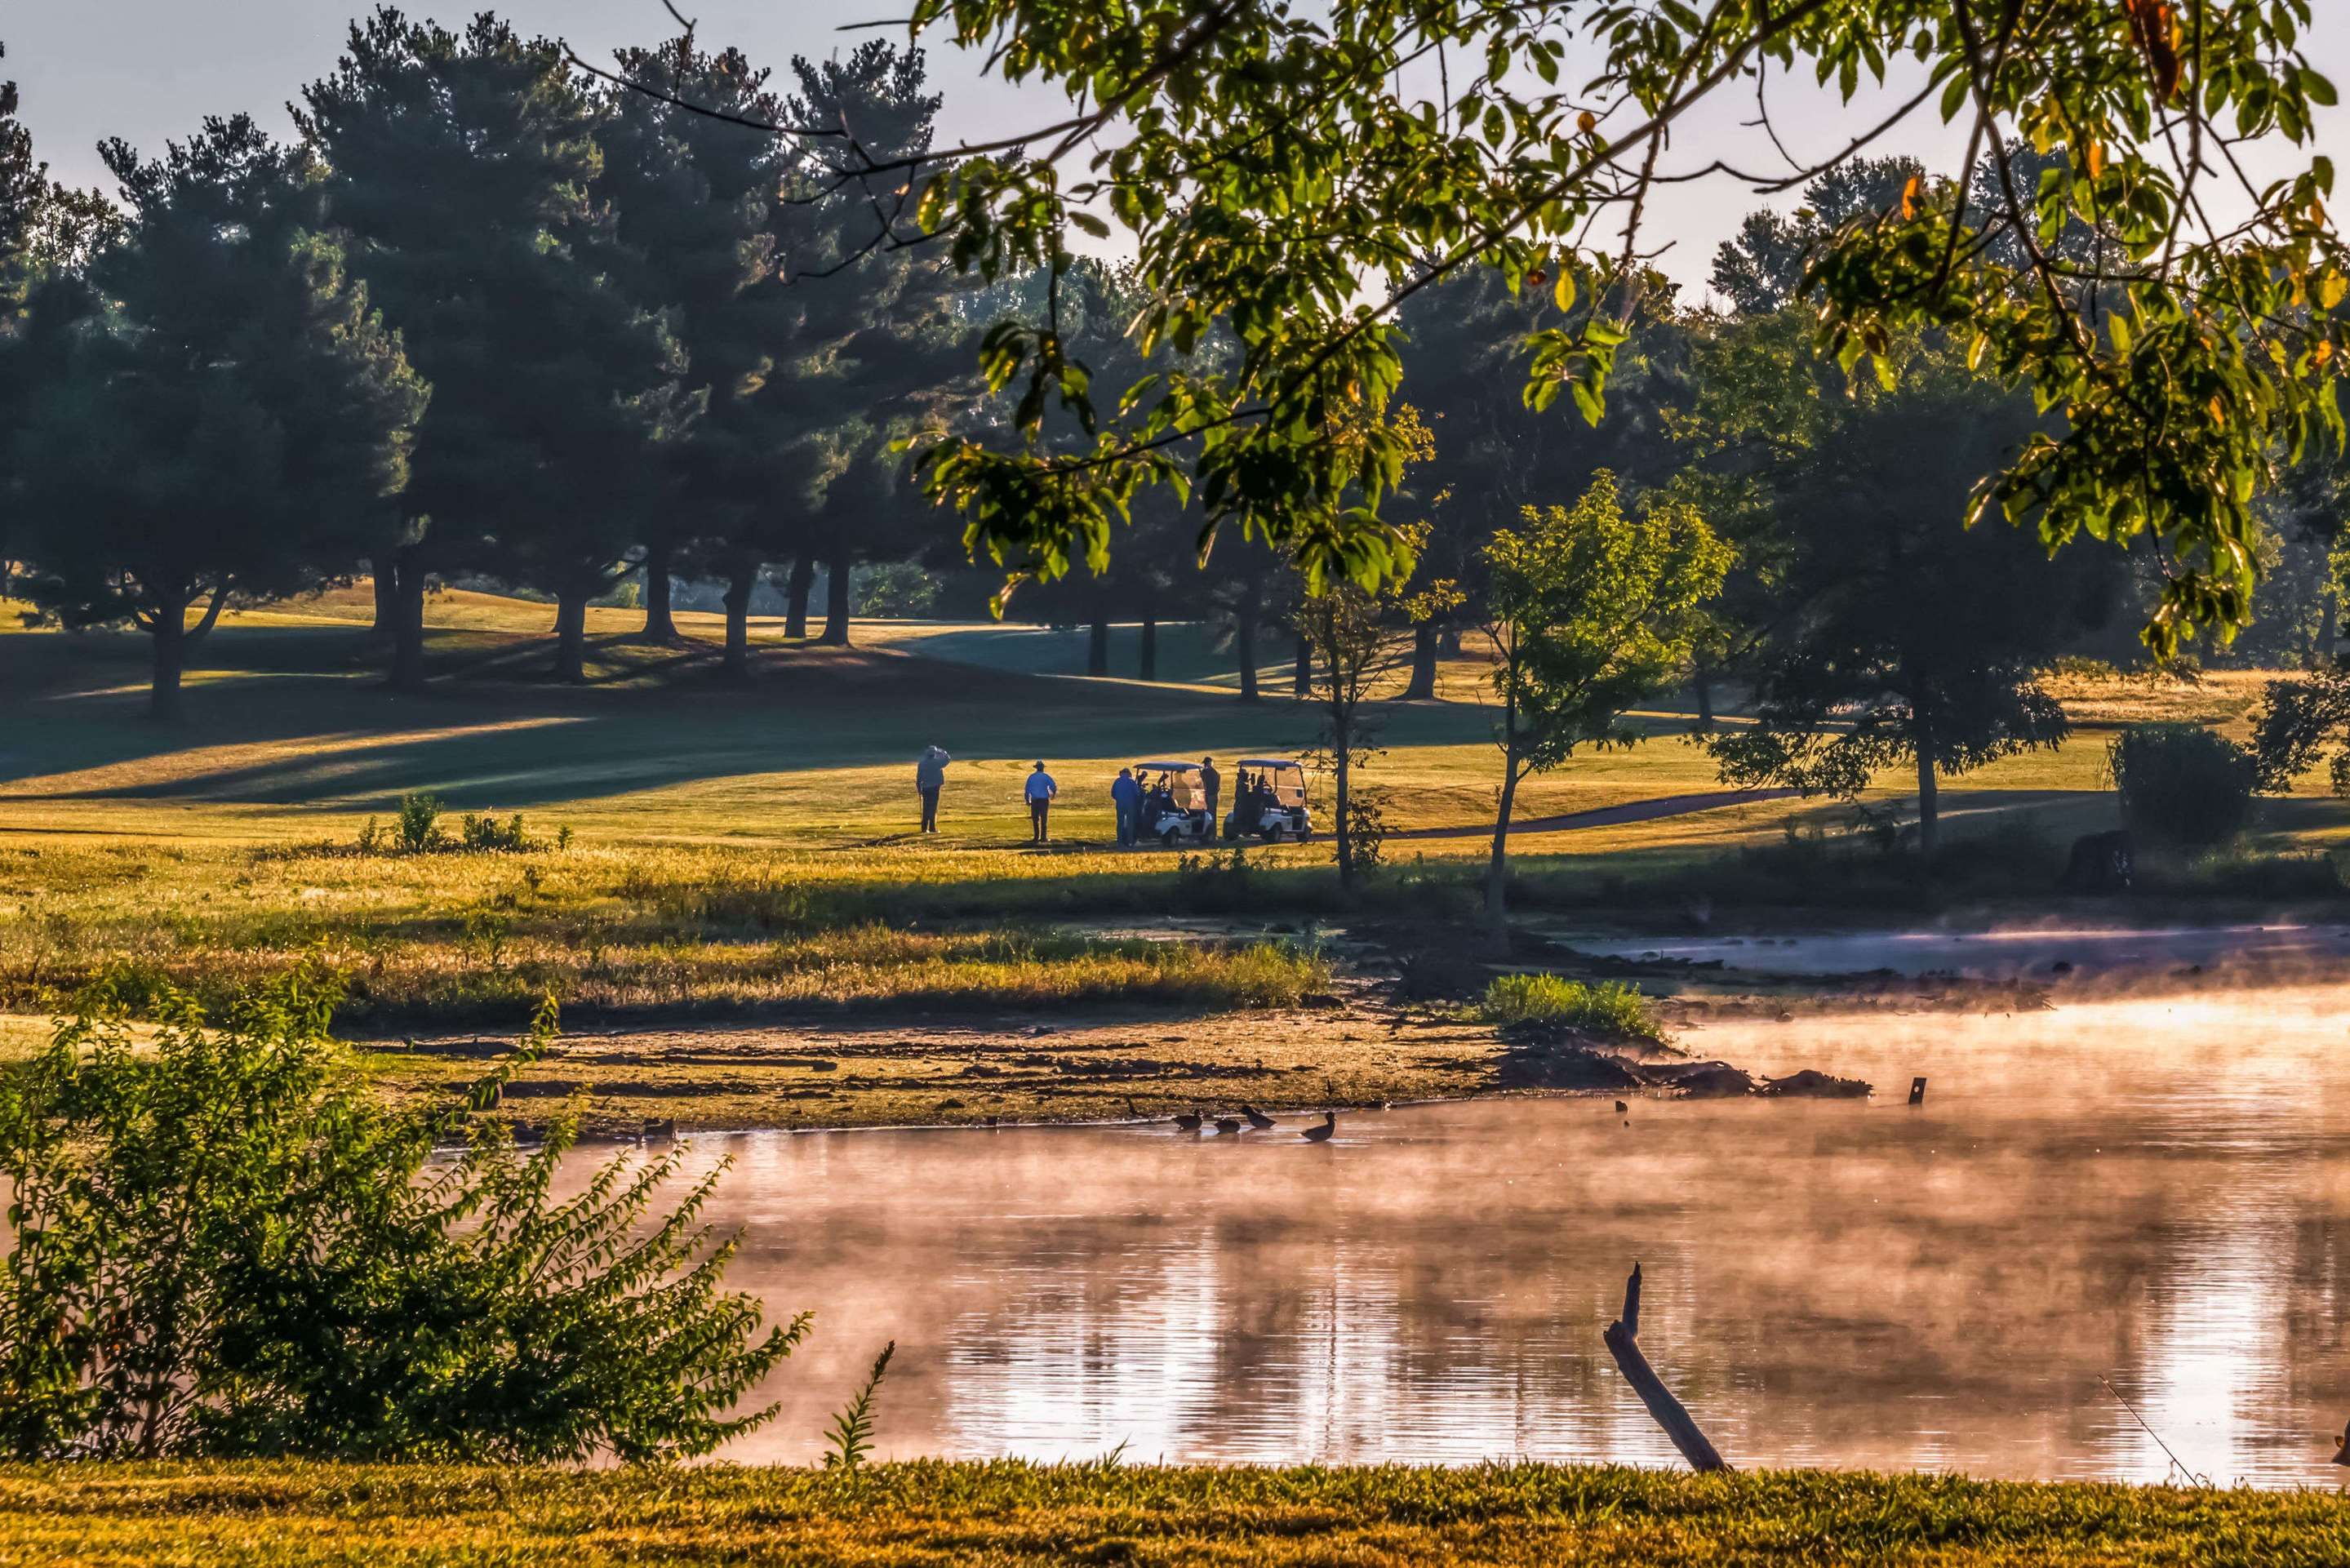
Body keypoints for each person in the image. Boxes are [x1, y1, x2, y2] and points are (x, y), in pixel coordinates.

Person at [914, 745, 950, 833]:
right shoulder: (937, 762)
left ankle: (924, 828)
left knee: (926, 808)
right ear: (934, 754)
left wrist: (919, 789)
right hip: (935, 787)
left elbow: (919, 778)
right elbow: (947, 759)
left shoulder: (922, 764)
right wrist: (941, 751)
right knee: (933, 808)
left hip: (925, 788)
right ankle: (932, 828)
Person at [1024, 760, 1058, 844]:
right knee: (1044, 819)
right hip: (1044, 800)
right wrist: (1052, 794)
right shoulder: (1046, 777)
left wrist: (1028, 800)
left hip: (1035, 800)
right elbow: (1053, 786)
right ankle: (1043, 837)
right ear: (1042, 768)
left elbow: (1027, 790)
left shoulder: (1032, 777)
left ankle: (1036, 837)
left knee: (1035, 819)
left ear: (1036, 768)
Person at [1110, 766, 1143, 847]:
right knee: (1130, 823)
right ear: (1128, 774)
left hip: (1120, 805)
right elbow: (1137, 793)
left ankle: (1120, 841)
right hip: (1130, 805)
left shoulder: (1117, 781)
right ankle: (1130, 841)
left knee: (1120, 823)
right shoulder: (1131, 782)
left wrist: (1119, 799)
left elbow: (1113, 794)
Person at [1199, 756, 1221, 827]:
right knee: (1207, 813)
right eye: (1205, 764)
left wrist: (1208, 793)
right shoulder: (1205, 772)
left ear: (1210, 763)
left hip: (1212, 795)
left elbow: (1214, 786)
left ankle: (1212, 830)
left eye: (1206, 763)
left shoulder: (1214, 773)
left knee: (1211, 814)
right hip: (1207, 795)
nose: (1205, 765)